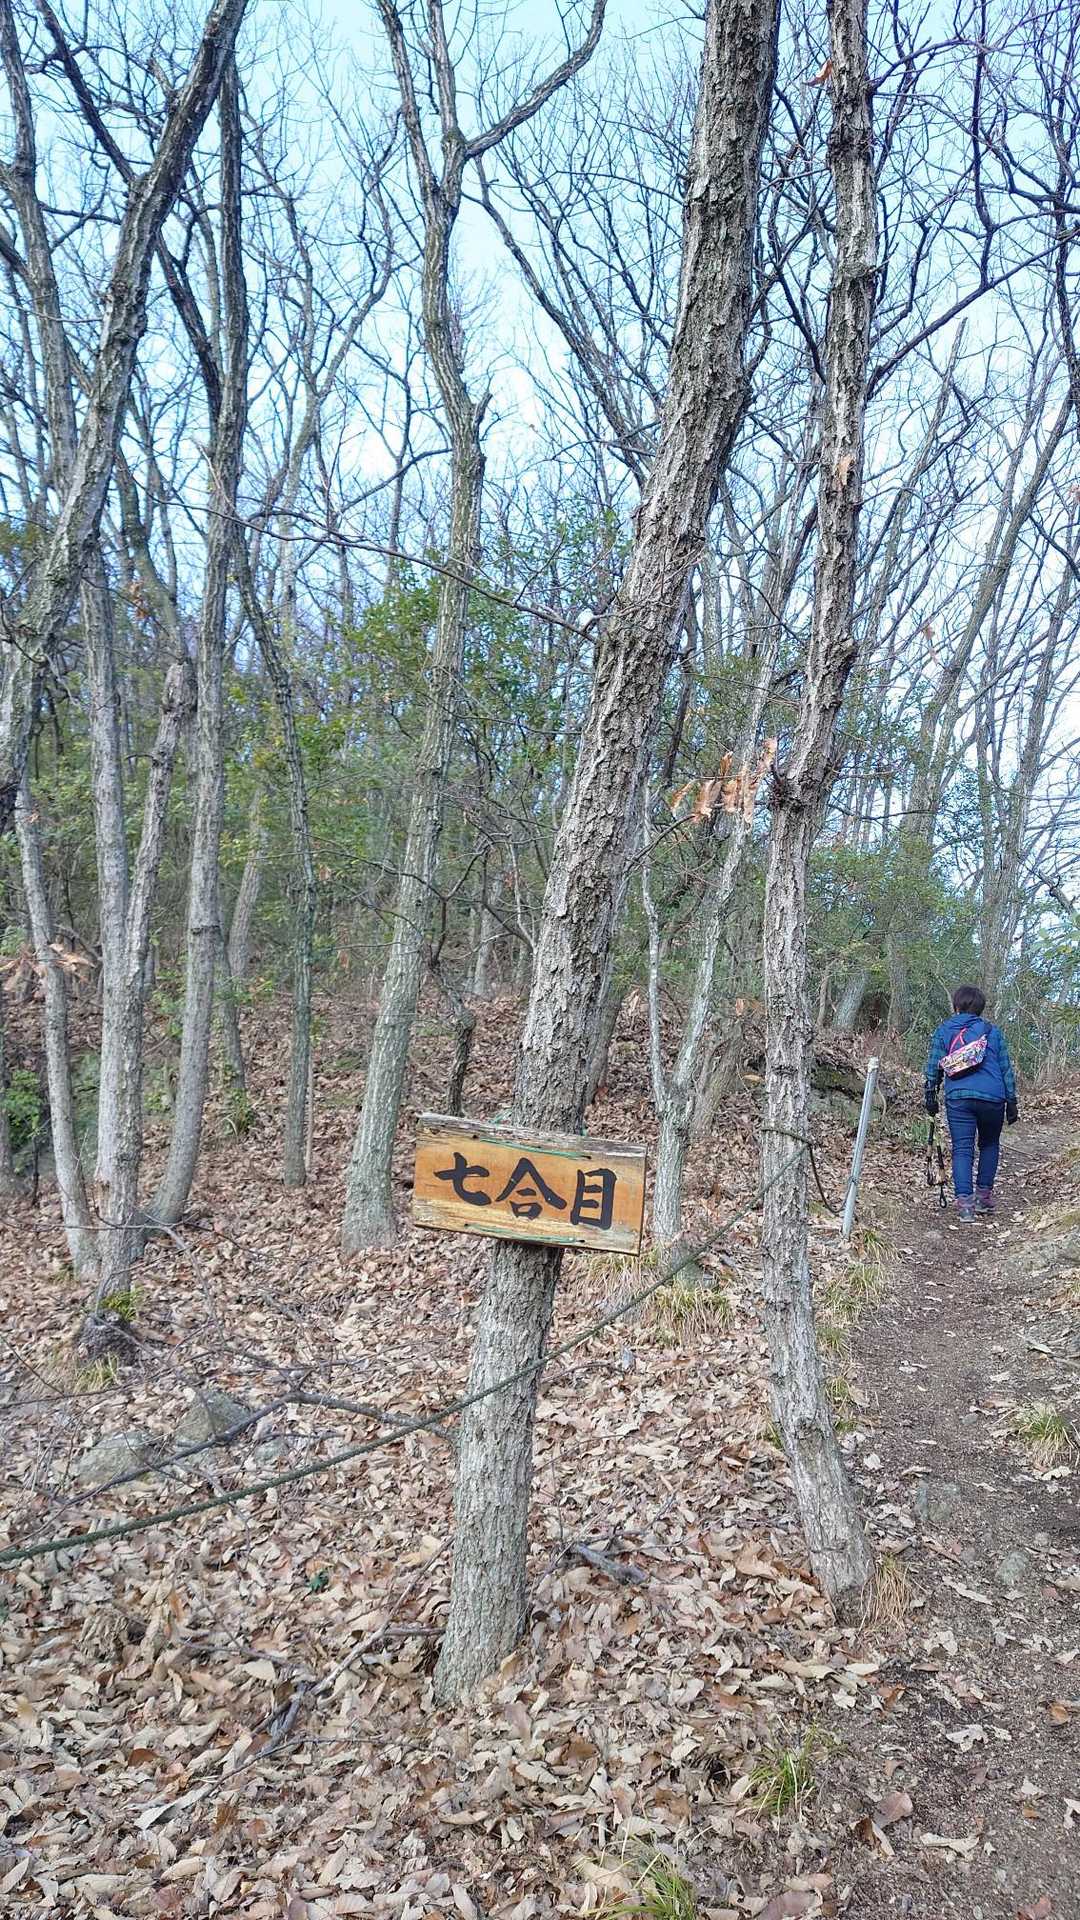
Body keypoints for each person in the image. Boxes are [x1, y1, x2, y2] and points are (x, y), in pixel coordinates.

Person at [924, 985, 1018, 1221]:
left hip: (959, 1097)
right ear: (980, 1008)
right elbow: (1005, 1068)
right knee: (989, 1144)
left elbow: (934, 1065)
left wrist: (930, 1094)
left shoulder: (944, 1030)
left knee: (962, 1148)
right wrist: (1012, 1100)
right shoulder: (992, 1032)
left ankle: (965, 1205)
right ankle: (983, 1199)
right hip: (993, 1097)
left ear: (956, 1005)